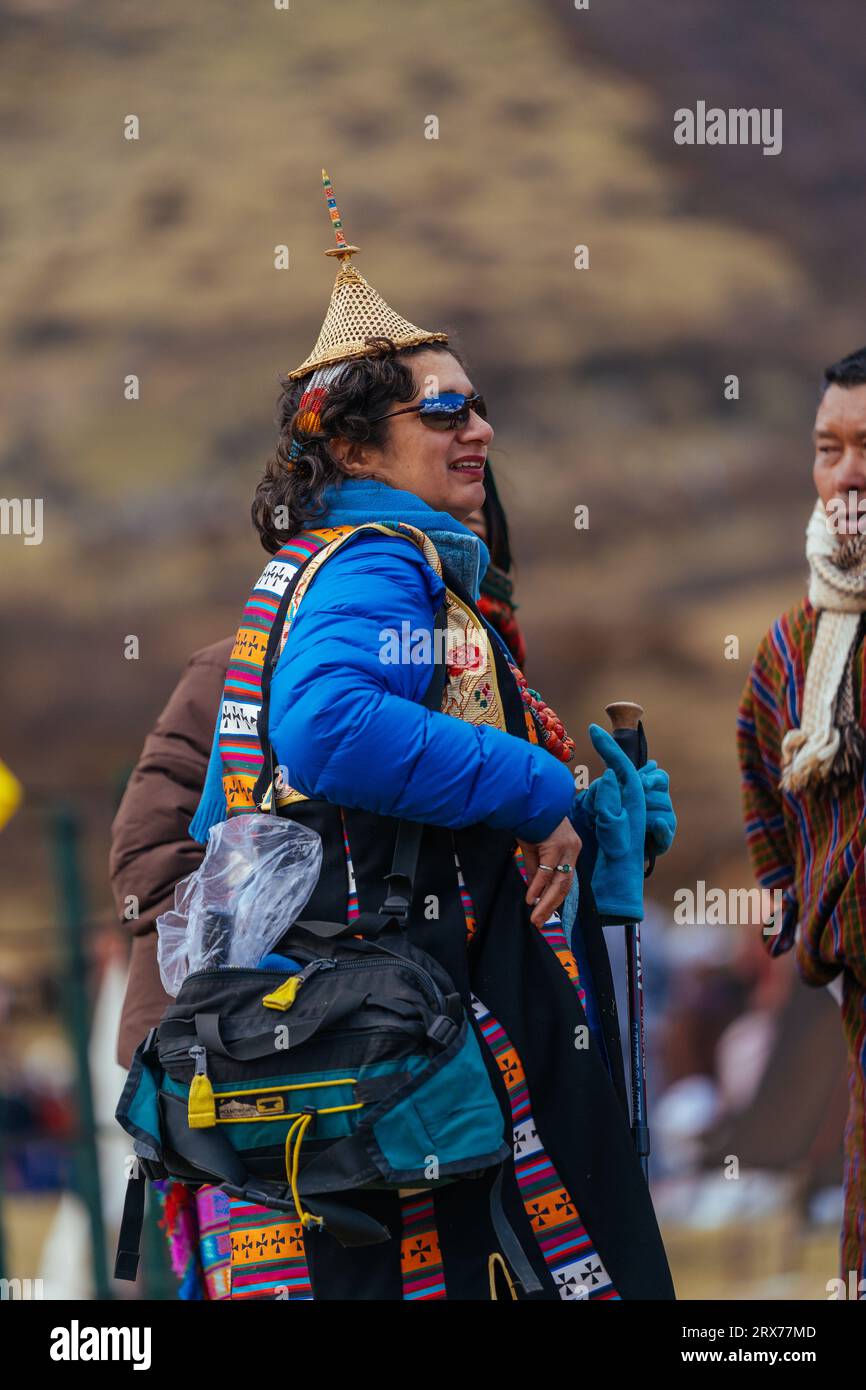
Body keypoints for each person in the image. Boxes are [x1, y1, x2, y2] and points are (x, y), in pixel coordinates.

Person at [124, 174, 677, 1300]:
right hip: (405, 1025)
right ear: (360, 452)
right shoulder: (380, 557)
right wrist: (536, 789)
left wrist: (590, 824)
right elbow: (330, 734)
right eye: (443, 411)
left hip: (372, 1031)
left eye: (475, 406)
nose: (478, 428)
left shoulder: (329, 570)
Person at [737, 344, 866, 1288]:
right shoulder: (795, 641)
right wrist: (792, 892)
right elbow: (758, 764)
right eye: (829, 448)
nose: (848, 475)